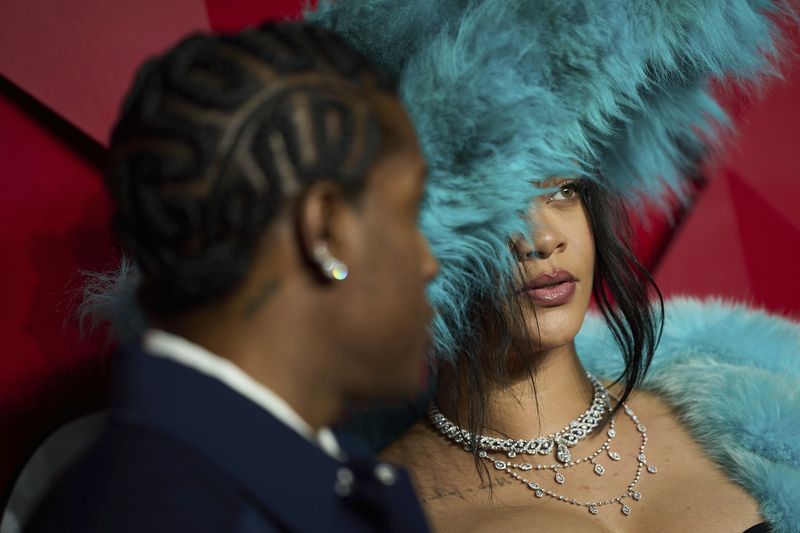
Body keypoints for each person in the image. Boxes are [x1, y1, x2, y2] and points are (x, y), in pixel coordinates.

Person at [309, 1, 800, 532]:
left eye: (563, 190)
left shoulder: (759, 401)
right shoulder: (386, 513)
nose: (543, 240)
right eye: (499, 210)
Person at [27, 21, 437, 533]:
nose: (429, 261)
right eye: (410, 212)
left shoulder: (307, 482)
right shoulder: (161, 515)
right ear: (325, 232)